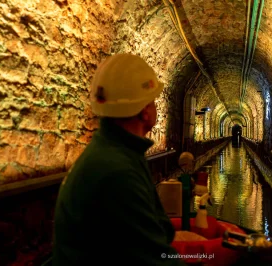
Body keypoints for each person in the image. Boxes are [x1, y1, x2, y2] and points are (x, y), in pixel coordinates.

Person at [52, 53, 186, 265]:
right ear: (144, 112)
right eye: (152, 101)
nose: (155, 107)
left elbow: (155, 228)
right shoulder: (118, 172)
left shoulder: (117, 152)